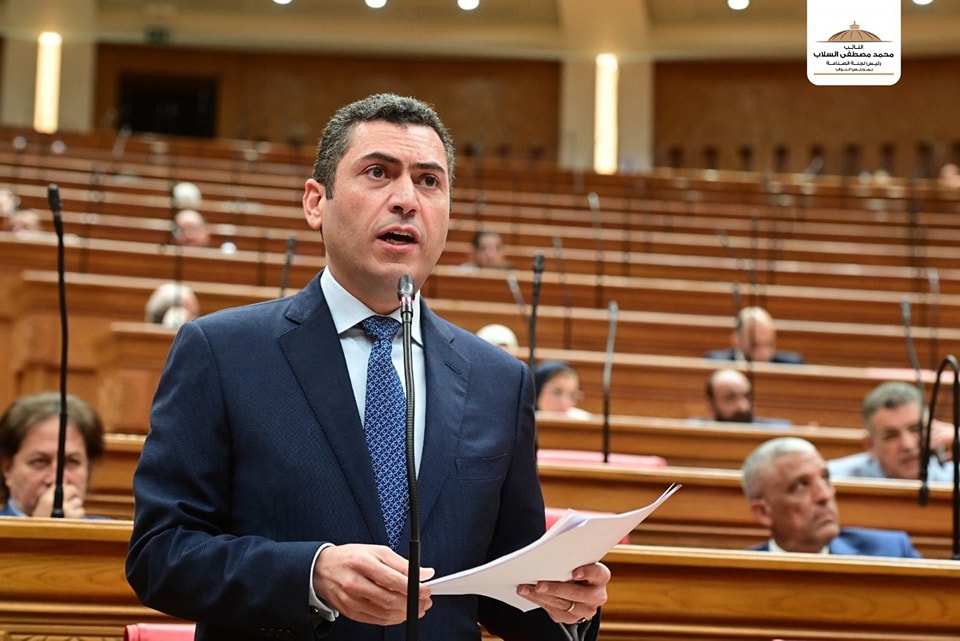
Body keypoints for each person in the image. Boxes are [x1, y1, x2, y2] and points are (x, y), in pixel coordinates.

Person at [126, 93, 608, 641]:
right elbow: (160, 553)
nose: (406, 199)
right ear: (316, 202)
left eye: (429, 181)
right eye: (378, 173)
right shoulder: (221, 352)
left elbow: (508, 590)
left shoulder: (498, 380)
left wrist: (569, 605)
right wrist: (310, 574)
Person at [740, 437, 921, 557]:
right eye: (801, 485)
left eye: (825, 478)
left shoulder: (891, 552)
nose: (824, 495)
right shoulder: (737, 577)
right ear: (763, 512)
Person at [0, 391, 105, 519]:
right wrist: (41, 528)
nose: (55, 479)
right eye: (40, 462)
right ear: (7, 468)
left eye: (72, 462)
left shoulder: (113, 531)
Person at [827, 381, 954, 483]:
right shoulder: (834, 479)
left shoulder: (952, 477)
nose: (907, 445)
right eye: (891, 436)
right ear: (870, 445)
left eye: (916, 430)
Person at [704, 306, 804, 364]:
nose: (763, 352)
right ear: (736, 340)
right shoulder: (715, 363)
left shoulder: (792, 365)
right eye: (755, 345)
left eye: (769, 344)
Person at [702, 368, 792, 427]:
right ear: (710, 405)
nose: (742, 407)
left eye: (747, 397)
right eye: (730, 398)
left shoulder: (779, 432)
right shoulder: (695, 435)